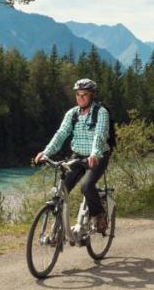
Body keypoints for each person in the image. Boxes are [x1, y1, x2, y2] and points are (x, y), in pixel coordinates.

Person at [34, 78, 111, 234]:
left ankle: (99, 215)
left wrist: (95, 153)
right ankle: (57, 229)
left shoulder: (101, 113)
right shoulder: (72, 114)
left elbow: (100, 135)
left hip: (98, 156)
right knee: (61, 190)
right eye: (78, 94)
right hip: (77, 155)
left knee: (86, 186)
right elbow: (61, 134)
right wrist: (46, 152)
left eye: (85, 94)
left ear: (92, 96)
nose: (81, 98)